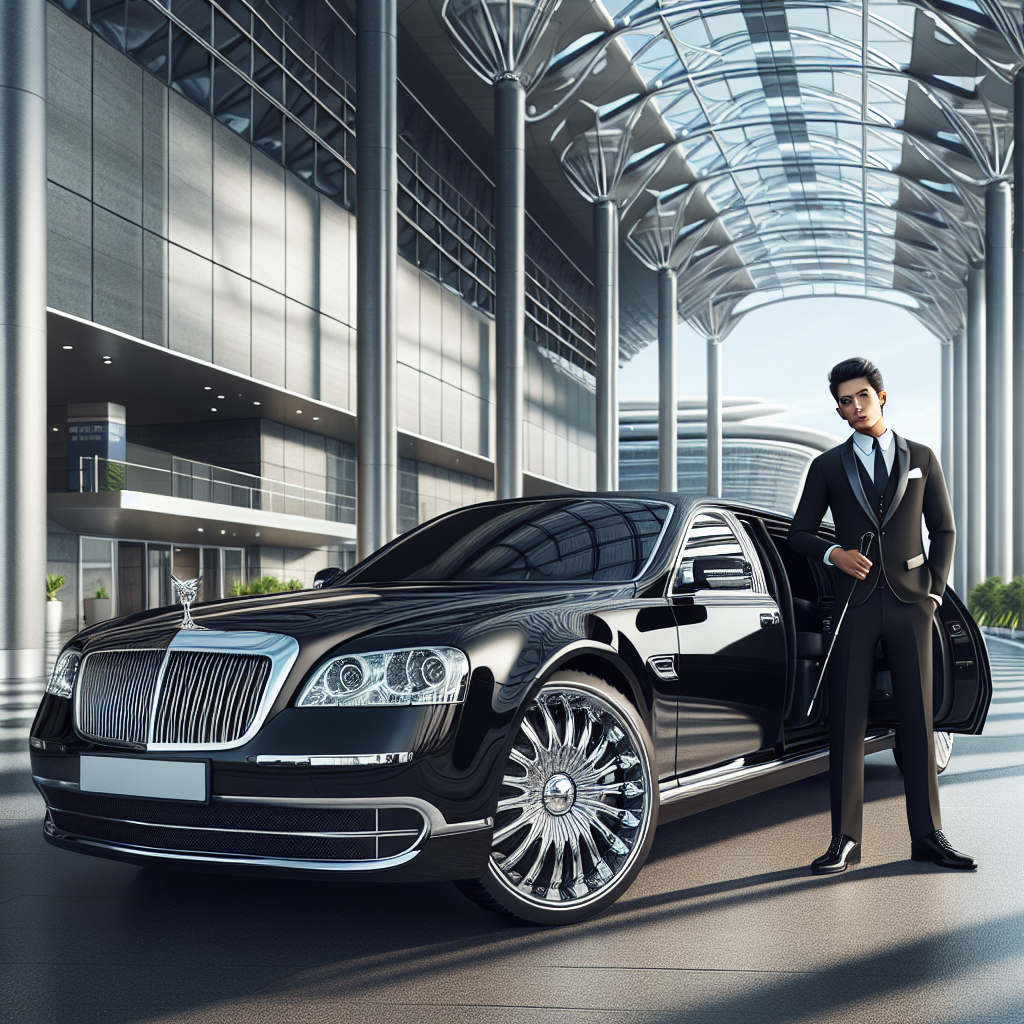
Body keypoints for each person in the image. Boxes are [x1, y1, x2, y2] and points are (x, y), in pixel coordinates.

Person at [787, 357, 976, 874]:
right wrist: (834, 554)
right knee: (847, 722)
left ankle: (929, 836)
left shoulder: (923, 458)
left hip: (912, 604)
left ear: (882, 397)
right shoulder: (828, 465)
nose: (853, 408)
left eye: (860, 397)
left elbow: (945, 530)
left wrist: (933, 592)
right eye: (843, 402)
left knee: (919, 719)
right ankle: (845, 840)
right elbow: (798, 532)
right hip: (855, 606)